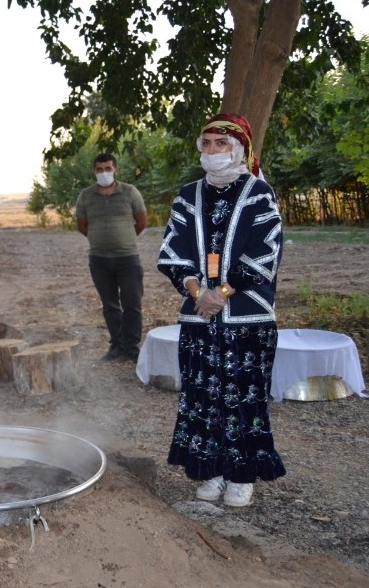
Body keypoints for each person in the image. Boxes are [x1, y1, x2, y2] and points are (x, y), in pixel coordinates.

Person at [157, 113, 286, 508]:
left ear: (240, 150)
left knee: (243, 395)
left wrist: (223, 292)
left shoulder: (259, 194)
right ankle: (210, 470)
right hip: (200, 315)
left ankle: (241, 475)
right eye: (207, 144)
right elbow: (172, 250)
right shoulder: (188, 195)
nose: (213, 151)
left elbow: (266, 251)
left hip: (247, 316)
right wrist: (199, 291)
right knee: (202, 394)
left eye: (222, 144)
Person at [75, 153, 147, 361]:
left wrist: (122, 240)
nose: (104, 173)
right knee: (109, 304)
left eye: (108, 168)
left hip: (128, 258)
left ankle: (132, 346)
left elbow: (141, 222)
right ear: (94, 172)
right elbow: (82, 226)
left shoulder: (130, 192)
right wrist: (101, 240)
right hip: (99, 260)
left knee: (132, 303)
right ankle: (117, 345)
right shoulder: (86, 196)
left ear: (116, 169)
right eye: (99, 169)